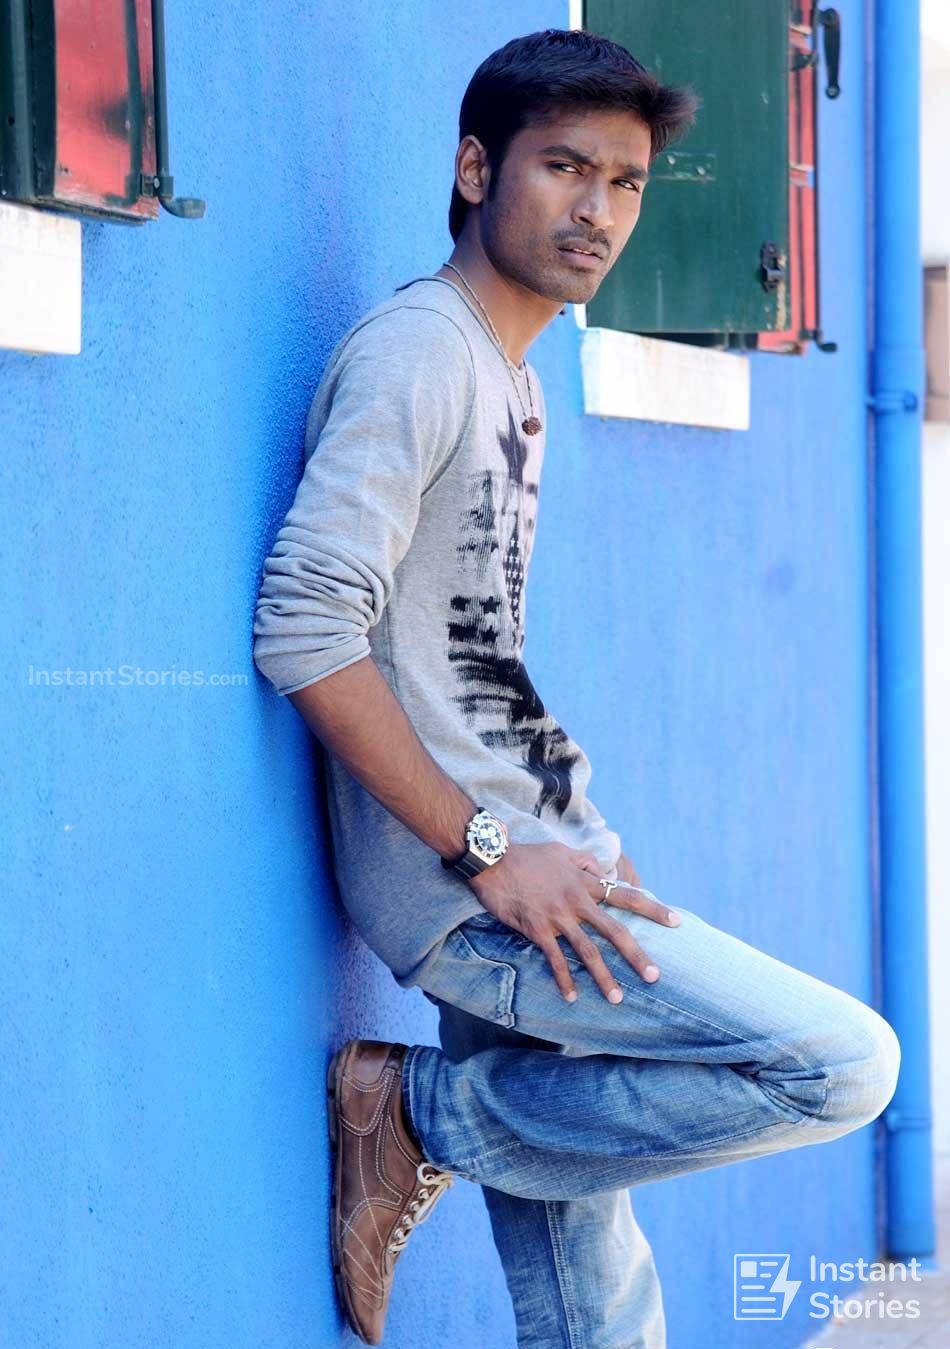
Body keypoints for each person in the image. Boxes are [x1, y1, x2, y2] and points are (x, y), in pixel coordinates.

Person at [252, 27, 901, 1348]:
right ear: (474, 168)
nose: (596, 210)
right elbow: (305, 628)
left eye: (625, 182)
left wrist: (565, 833)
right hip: (477, 889)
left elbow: (468, 656)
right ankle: (415, 1113)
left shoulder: (509, 374)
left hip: (538, 865)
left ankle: (433, 1118)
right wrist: (490, 849)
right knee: (841, 1063)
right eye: (563, 167)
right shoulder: (421, 355)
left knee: (590, 1288)